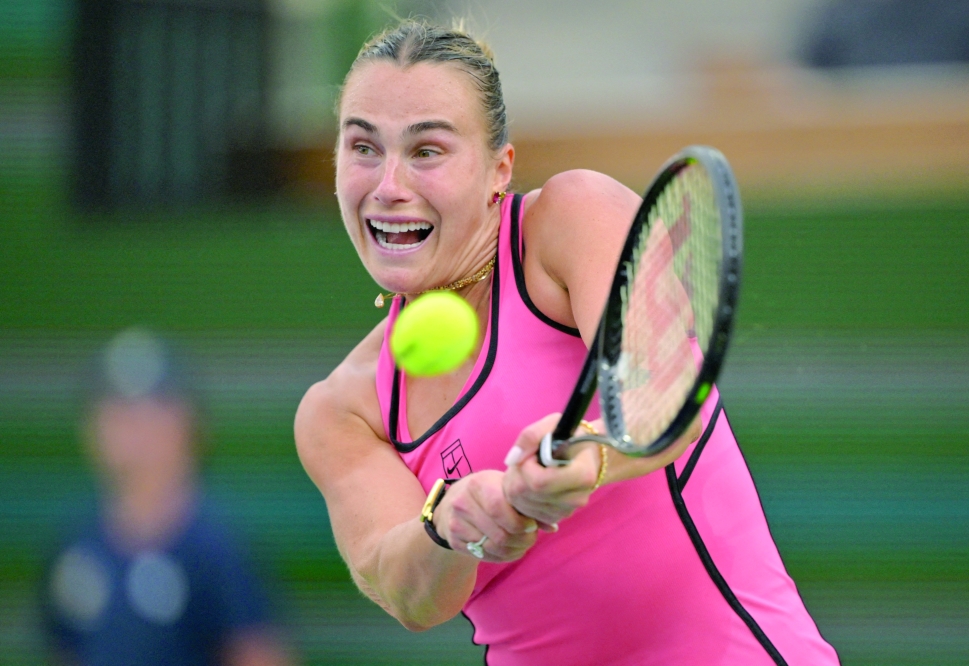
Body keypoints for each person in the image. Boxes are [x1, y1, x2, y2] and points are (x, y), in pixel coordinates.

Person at [295, 19, 840, 665]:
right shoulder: (341, 412)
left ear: (499, 168)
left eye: (427, 151)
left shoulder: (570, 220)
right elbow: (408, 594)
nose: (388, 185)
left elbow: (663, 399)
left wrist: (586, 458)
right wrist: (448, 525)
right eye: (363, 148)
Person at [42, 328, 293, 666]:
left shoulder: (218, 550)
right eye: (119, 411)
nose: (136, 430)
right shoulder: (75, 544)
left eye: (154, 411)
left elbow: (257, 653)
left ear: (190, 425)